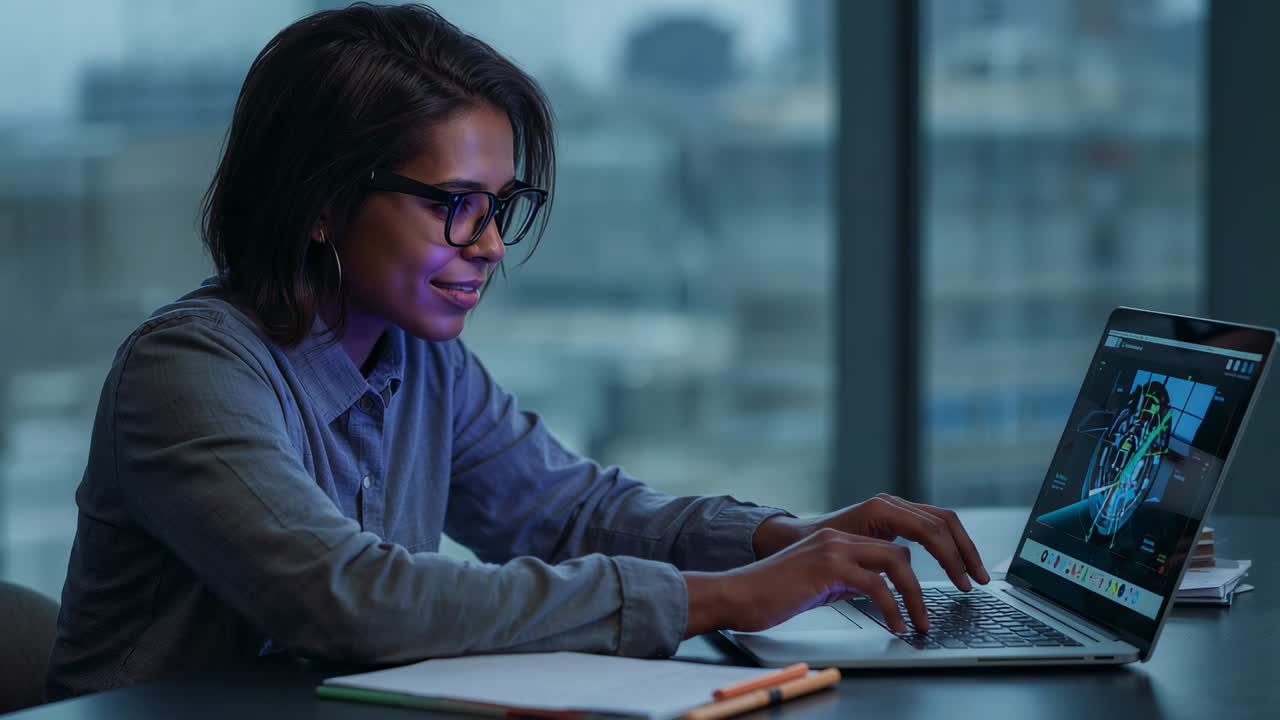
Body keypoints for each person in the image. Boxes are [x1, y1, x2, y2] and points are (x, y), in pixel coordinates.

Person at [47, 2, 989, 699]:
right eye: (456, 203)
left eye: (500, 208)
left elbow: (568, 512)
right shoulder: (189, 373)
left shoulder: (419, 361)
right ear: (322, 203)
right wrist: (726, 598)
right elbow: (348, 601)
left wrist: (788, 541)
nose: (490, 245)